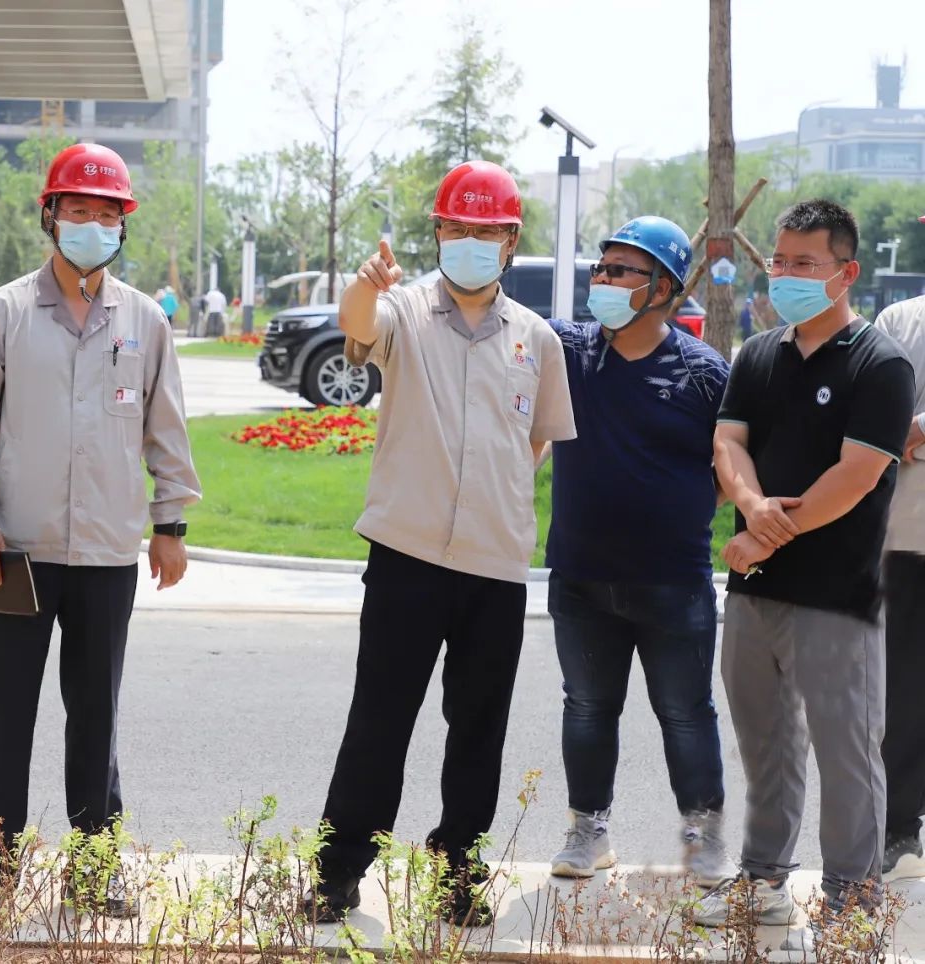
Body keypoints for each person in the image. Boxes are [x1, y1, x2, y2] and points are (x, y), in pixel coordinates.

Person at [306, 160, 575, 926]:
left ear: (510, 240)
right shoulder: (404, 312)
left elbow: (536, 440)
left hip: (494, 565)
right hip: (407, 557)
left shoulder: (536, 339)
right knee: (380, 719)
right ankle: (338, 869)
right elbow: (360, 326)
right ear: (437, 233)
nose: (469, 241)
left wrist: (489, 492)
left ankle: (459, 867)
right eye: (456, 227)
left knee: (479, 730)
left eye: (485, 230)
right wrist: (366, 285)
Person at [0, 142, 202, 914]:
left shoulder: (145, 321)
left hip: (105, 553)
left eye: (106, 214)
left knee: (96, 715)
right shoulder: (2, 314)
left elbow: (166, 427)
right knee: (2, 714)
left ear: (123, 225)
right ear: (50, 216)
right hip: (14, 552)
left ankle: (94, 868)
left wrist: (170, 523)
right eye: (78, 210)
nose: (92, 225)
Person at [696, 199, 915, 943]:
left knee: (847, 751)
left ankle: (852, 900)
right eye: (779, 261)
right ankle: (763, 880)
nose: (784, 274)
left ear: (846, 273)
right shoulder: (759, 354)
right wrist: (752, 507)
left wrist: (765, 536)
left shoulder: (880, 364)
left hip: (837, 595)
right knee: (766, 748)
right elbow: (729, 444)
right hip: (755, 593)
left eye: (804, 263)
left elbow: (857, 475)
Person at [545, 217, 733, 885]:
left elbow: (733, 465)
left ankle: (704, 840)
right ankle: (587, 832)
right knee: (587, 708)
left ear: (662, 289)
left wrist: (682, 510)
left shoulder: (705, 372)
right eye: (601, 267)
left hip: (674, 584)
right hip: (580, 578)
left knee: (686, 714)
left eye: (621, 270)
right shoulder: (568, 350)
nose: (602, 279)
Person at [871, 209, 925, 883]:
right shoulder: (898, 321)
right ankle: (900, 828)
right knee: (904, 685)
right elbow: (876, 409)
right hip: (905, 531)